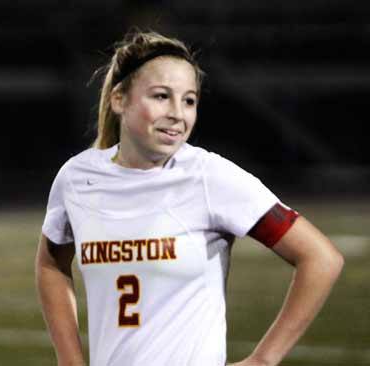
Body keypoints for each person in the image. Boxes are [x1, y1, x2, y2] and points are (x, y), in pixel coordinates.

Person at [35, 30, 344, 366]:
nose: (178, 113)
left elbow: (320, 258)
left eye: (189, 100)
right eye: (161, 96)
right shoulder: (78, 178)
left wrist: (263, 359)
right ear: (119, 99)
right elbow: (51, 263)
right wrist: (70, 361)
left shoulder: (209, 177)